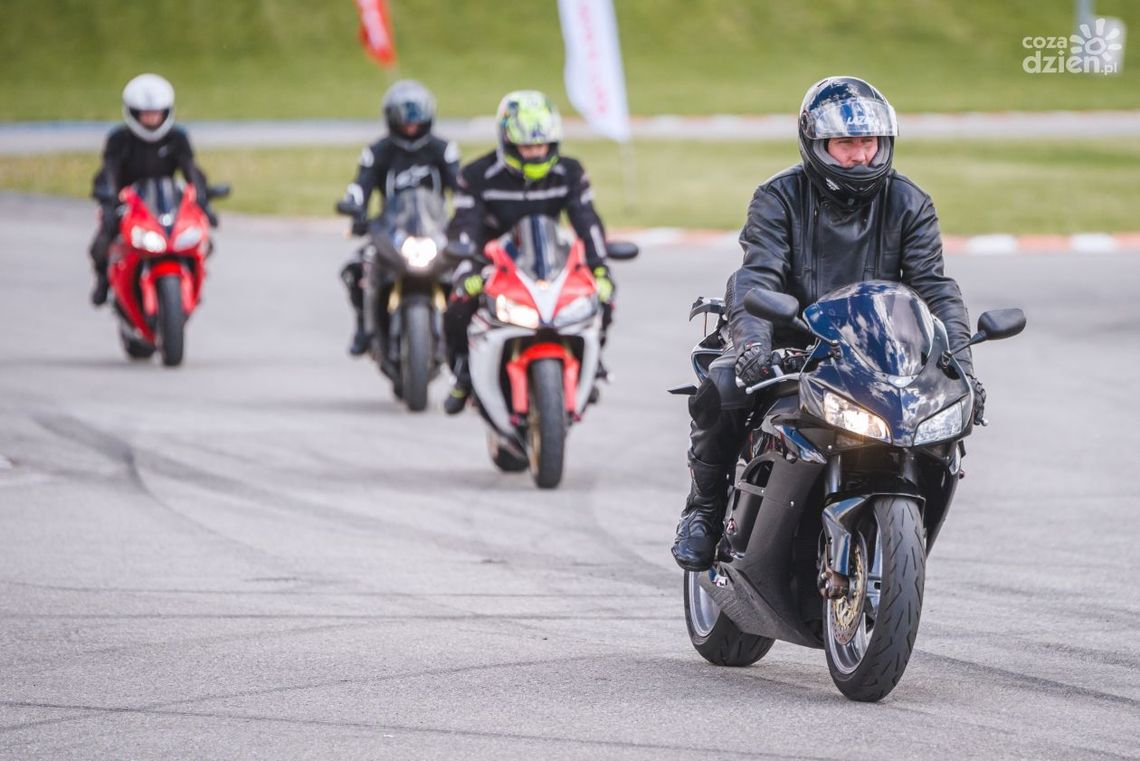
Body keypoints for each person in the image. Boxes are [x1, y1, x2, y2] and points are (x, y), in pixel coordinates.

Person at [671, 75, 987, 572]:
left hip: (876, 357)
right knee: (725, 383)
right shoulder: (778, 197)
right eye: (846, 143)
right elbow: (758, 275)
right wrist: (754, 346)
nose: (860, 156)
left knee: (941, 422)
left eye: (869, 142)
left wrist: (961, 366)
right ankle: (704, 511)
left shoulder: (910, 202)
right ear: (816, 145)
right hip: (794, 345)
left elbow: (933, 287)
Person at [442, 90, 616, 415]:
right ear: (507, 141)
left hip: (551, 261)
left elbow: (586, 220)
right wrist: (464, 264)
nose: (536, 153)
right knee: (456, 304)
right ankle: (463, 373)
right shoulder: (476, 175)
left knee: (603, 295)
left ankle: (593, 365)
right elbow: (465, 225)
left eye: (542, 146)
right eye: (527, 146)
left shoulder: (570, 172)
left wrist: (600, 268)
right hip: (493, 263)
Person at [339, 79, 460, 356]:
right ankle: (363, 326)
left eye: (416, 120)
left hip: (434, 229)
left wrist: (469, 217)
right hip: (394, 230)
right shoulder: (378, 152)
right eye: (404, 121)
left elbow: (462, 187)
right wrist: (354, 207)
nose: (411, 127)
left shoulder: (442, 150)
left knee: (467, 274)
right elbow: (361, 185)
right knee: (355, 269)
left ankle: (461, 338)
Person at [89, 73, 214, 306]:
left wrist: (203, 200)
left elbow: (192, 172)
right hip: (131, 204)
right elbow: (109, 172)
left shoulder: (177, 138)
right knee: (100, 245)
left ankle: (193, 281)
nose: (151, 118)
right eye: (145, 114)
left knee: (204, 240)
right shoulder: (120, 140)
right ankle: (104, 283)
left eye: (156, 113)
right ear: (133, 113)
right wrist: (109, 200)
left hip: (166, 204)